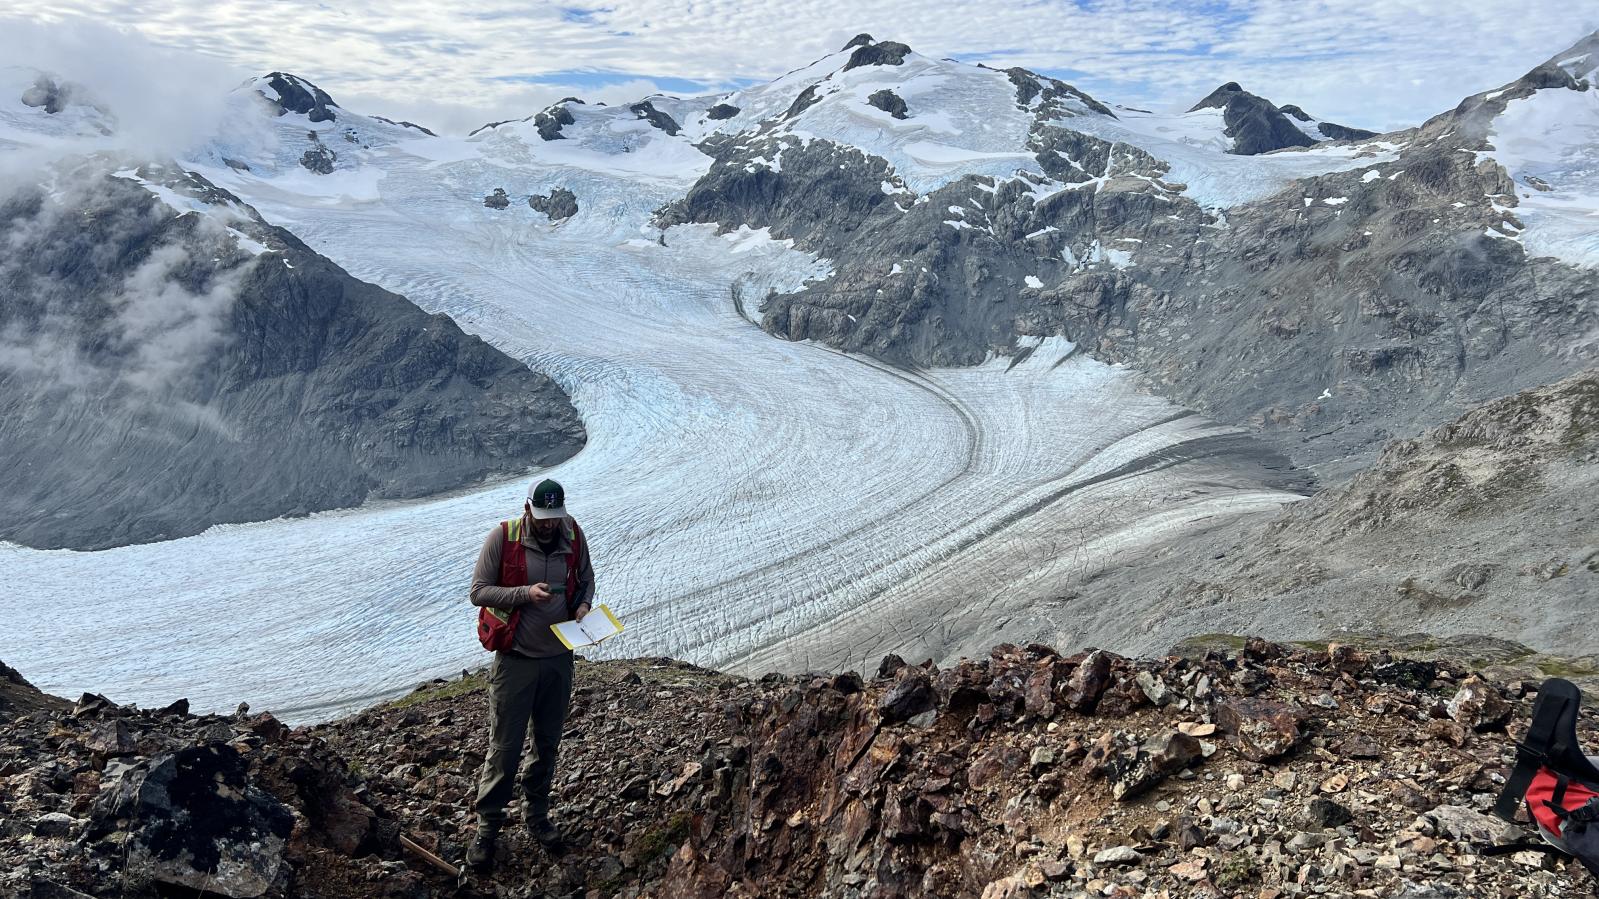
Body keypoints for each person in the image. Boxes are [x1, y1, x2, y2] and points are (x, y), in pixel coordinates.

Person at [466, 478, 594, 868]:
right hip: (516, 660)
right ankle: (487, 829)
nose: (549, 524)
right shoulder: (502, 538)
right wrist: (524, 593)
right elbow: (478, 591)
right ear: (528, 509)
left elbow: (586, 580)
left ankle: (537, 815)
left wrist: (584, 607)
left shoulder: (573, 535)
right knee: (504, 748)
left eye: (555, 518)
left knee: (547, 743)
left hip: (558, 658)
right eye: (543, 518)